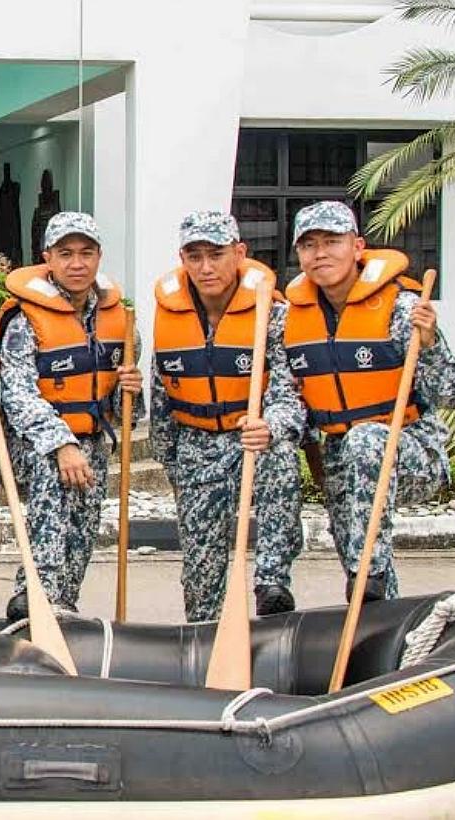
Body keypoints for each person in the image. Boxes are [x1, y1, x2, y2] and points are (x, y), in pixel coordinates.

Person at [283, 201, 455, 602]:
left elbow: (452, 393)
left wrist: (431, 343)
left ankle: (372, 570)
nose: (320, 253)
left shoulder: (403, 310)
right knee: (357, 563)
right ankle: (381, 625)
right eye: (309, 245)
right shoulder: (291, 319)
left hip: (411, 451)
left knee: (367, 443)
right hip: (341, 459)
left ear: (357, 246)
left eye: (332, 242)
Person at [149, 211, 306, 621]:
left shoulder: (272, 315)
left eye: (216, 254)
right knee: (201, 573)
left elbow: (290, 392)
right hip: (197, 442)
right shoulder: (171, 313)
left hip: (252, 436)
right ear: (182, 258)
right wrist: (172, 462)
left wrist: (272, 424)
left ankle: (272, 582)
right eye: (194, 256)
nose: (205, 267)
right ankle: (205, 636)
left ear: (238, 253)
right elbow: (161, 395)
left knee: (281, 455)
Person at [0, 212, 143, 620]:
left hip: (93, 443)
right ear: (48, 258)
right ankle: (33, 598)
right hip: (41, 445)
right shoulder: (24, 320)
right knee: (51, 513)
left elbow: (127, 412)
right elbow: (18, 394)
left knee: (81, 533)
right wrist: (61, 444)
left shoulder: (122, 320)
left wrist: (131, 388)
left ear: (99, 257)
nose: (76, 264)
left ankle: (63, 606)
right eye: (65, 254)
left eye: (86, 253)